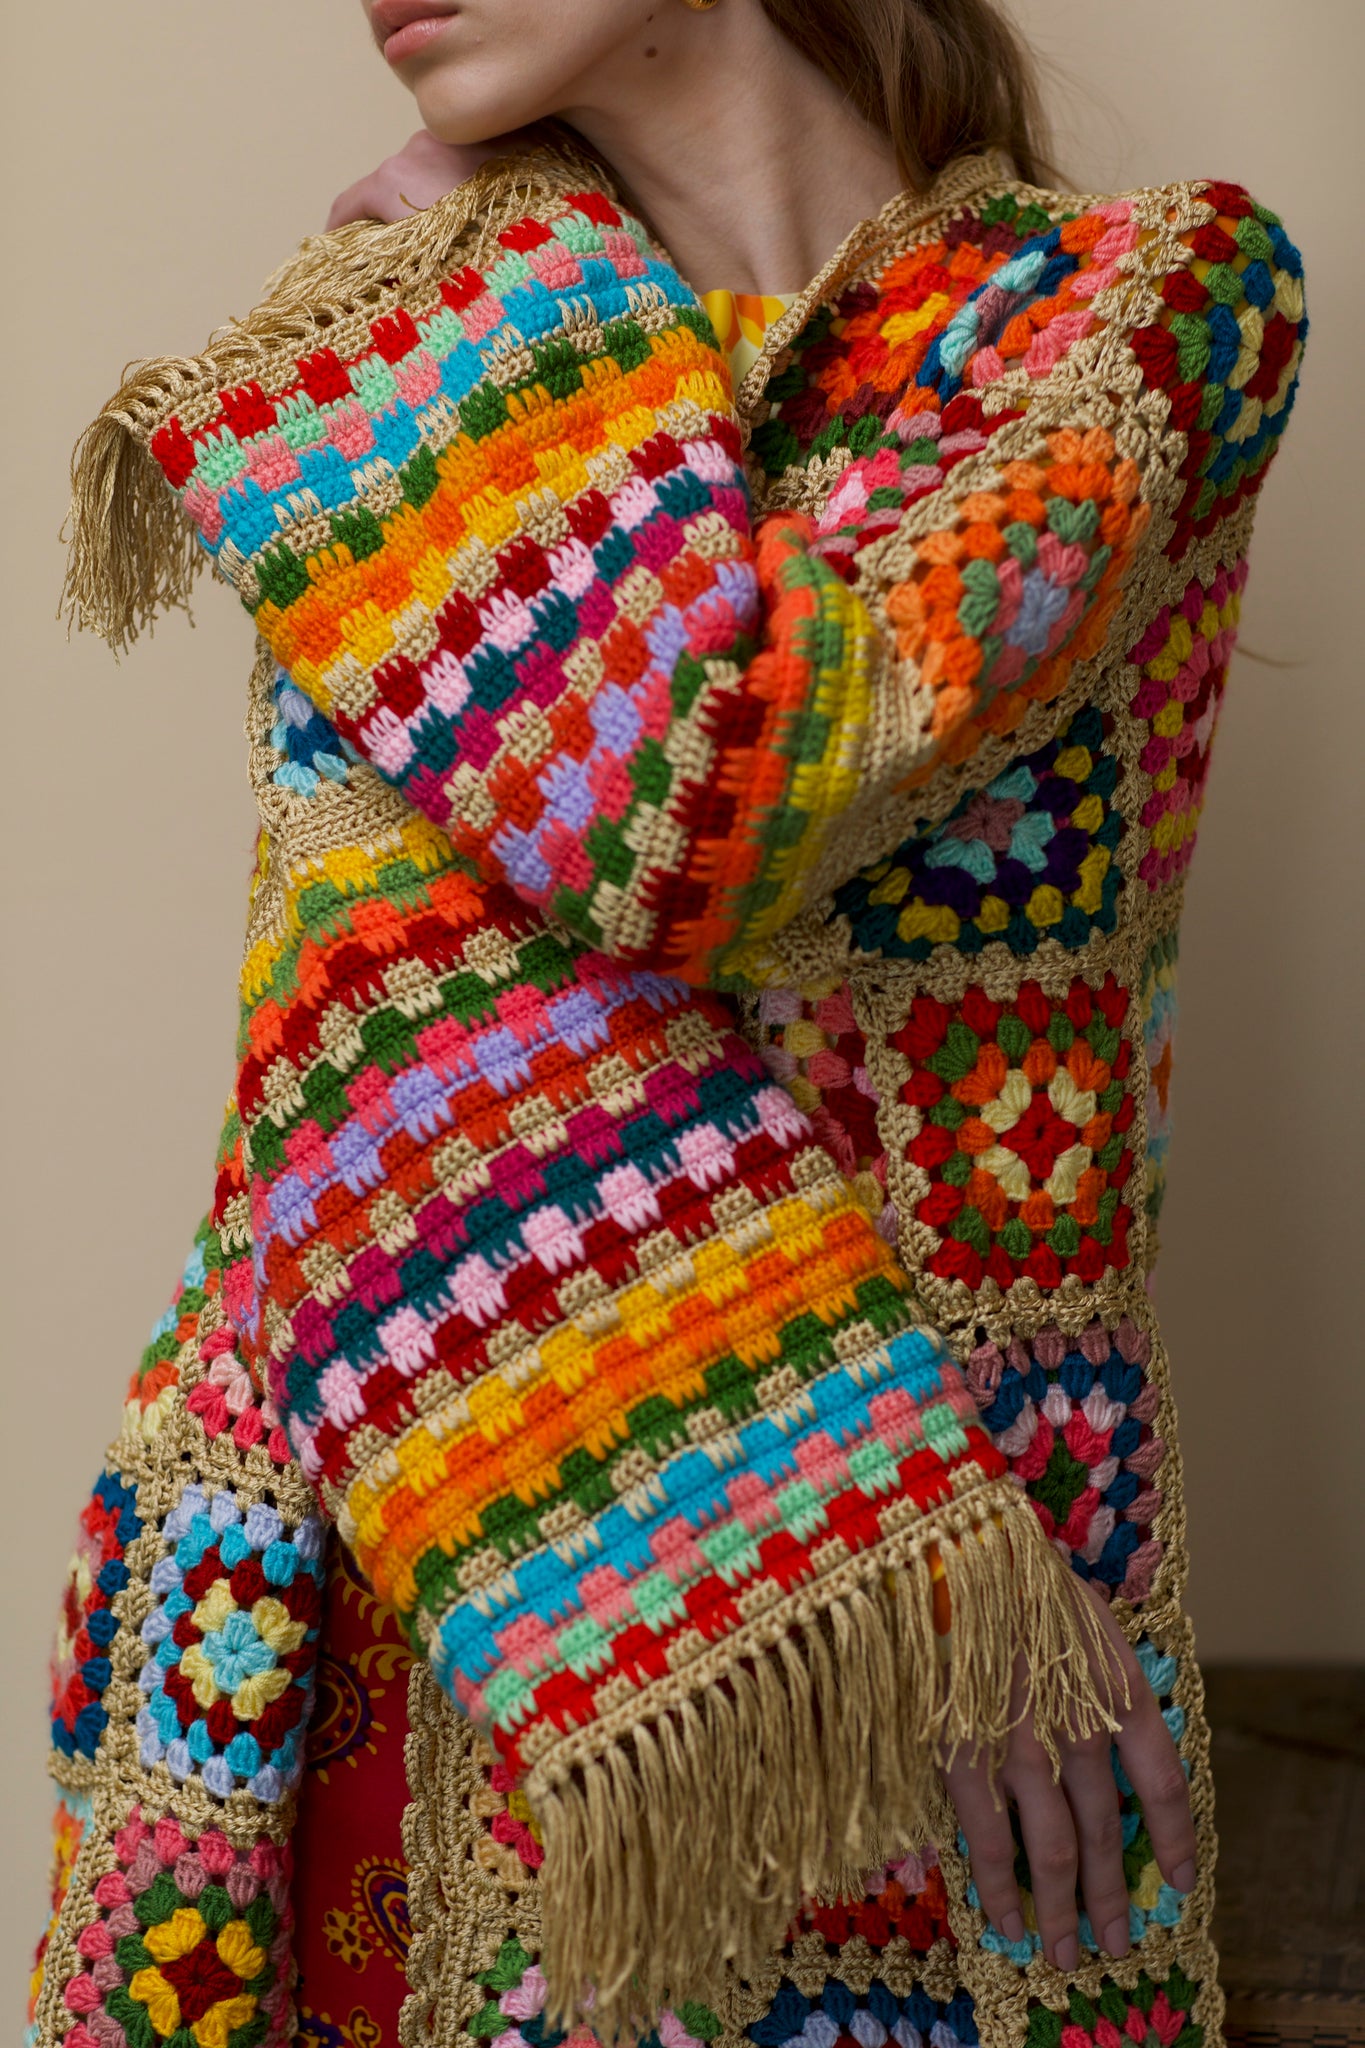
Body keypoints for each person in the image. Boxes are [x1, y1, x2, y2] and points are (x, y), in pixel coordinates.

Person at [30, 3, 1306, 2046]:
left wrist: (484, 321)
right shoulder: (412, 340)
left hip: (909, 1629)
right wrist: (480, 296)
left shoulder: (1138, 318)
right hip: (362, 1580)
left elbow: (751, 771)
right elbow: (346, 1010)